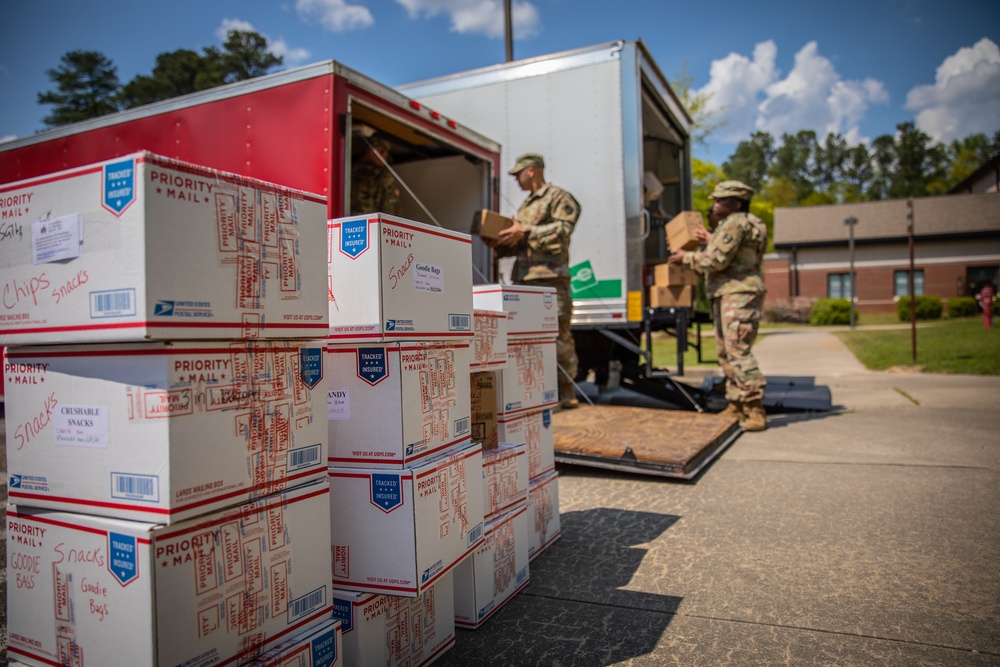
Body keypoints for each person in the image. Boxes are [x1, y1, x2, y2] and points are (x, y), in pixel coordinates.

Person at [668, 180, 768, 431]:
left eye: (719, 201)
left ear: (735, 202)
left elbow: (717, 261)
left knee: (737, 350)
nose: (714, 205)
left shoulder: (734, 223)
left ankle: (755, 409)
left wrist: (685, 258)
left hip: (738, 293)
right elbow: (736, 252)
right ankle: (735, 404)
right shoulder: (750, 222)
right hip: (731, 293)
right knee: (725, 350)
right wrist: (711, 238)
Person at [493, 153, 582, 409]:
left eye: (518, 174)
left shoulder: (559, 197)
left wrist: (527, 231)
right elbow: (522, 242)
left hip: (551, 278)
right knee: (526, 338)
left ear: (531, 171)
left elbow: (565, 228)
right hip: (524, 280)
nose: (516, 180)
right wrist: (500, 243)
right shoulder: (525, 207)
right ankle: (536, 392)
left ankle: (566, 392)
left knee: (558, 335)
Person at [350, 135, 401, 216]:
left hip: (386, 224)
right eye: (380, 150)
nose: (384, 155)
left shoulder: (384, 173)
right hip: (367, 223)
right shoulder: (359, 173)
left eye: (386, 152)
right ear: (368, 150)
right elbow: (363, 206)